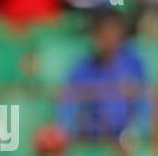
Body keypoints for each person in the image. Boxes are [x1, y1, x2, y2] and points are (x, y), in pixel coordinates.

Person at [58, 9, 150, 147]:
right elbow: (67, 109)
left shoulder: (134, 65)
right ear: (95, 35)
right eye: (103, 32)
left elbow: (146, 107)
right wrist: (69, 134)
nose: (108, 38)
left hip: (126, 143)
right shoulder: (82, 68)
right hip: (89, 142)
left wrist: (132, 135)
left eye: (113, 31)